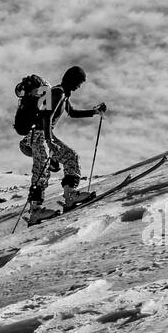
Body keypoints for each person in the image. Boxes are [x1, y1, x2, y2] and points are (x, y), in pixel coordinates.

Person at [25, 66, 107, 222]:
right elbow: (47, 117)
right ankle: (35, 210)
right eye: (79, 82)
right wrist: (49, 141)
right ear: (72, 79)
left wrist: (95, 112)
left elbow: (73, 113)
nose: (79, 86)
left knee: (70, 157)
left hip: (44, 134)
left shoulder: (63, 94)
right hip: (37, 135)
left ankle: (70, 195)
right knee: (41, 167)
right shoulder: (57, 92)